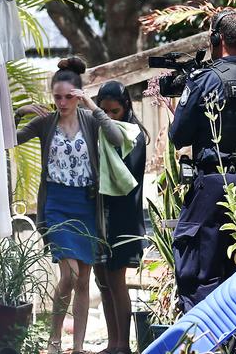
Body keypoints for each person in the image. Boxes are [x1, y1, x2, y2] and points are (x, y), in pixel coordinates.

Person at [15, 57, 123, 354]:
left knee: (84, 280)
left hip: (86, 205)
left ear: (77, 94)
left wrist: (91, 104)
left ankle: (77, 346)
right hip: (57, 205)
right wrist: (19, 112)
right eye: (57, 97)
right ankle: (54, 339)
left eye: (68, 96)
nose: (62, 103)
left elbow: (115, 138)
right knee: (70, 275)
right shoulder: (45, 122)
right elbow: (7, 140)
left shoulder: (90, 121)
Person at [169, 10, 236, 313]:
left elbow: (178, 136)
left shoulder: (205, 79)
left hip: (215, 185)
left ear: (216, 38)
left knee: (199, 269)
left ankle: (207, 342)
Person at [93, 81, 150, 354]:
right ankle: (112, 343)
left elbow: (126, 178)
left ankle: (123, 345)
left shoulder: (135, 135)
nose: (110, 117)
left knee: (116, 279)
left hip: (122, 217)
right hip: (100, 214)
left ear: (126, 107)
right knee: (102, 279)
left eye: (114, 111)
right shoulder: (101, 132)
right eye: (104, 112)